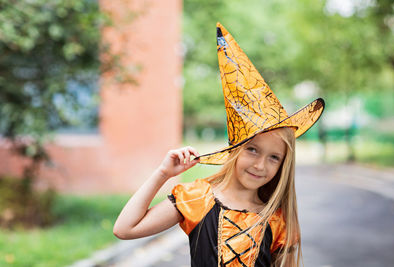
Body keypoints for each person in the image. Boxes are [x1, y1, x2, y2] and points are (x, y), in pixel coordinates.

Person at [113, 22, 325, 267]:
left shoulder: (277, 219)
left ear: (283, 165)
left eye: (274, 157)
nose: (260, 164)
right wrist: (162, 174)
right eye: (252, 149)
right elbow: (125, 229)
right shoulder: (197, 199)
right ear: (234, 150)